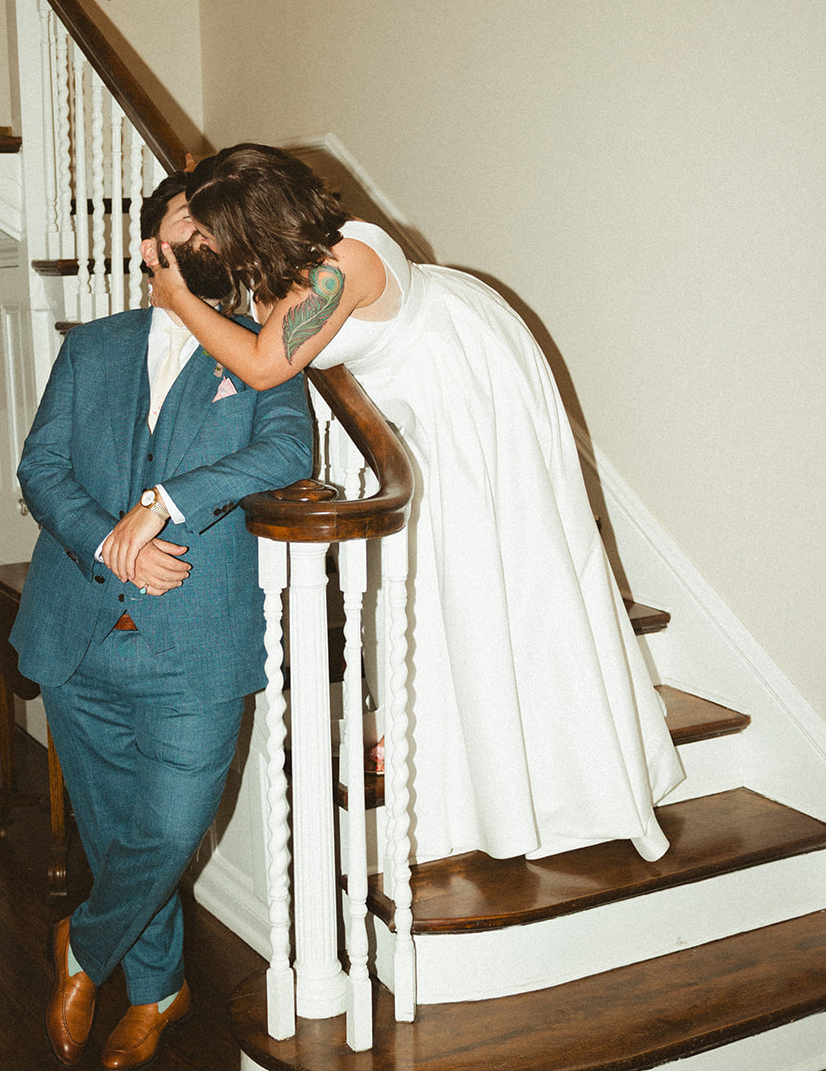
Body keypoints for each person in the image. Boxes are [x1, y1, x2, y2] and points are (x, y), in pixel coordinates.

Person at [148, 143, 685, 866]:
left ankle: (570, 781)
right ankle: (468, 764)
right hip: (424, 397)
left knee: (504, 575)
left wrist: (176, 296)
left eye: (209, 233)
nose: (204, 249)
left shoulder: (347, 260)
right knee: (448, 586)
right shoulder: (286, 270)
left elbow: (265, 363)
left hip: (463, 388)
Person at [11, 173, 314, 1071]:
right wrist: (110, 543)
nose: (212, 238)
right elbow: (43, 467)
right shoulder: (93, 347)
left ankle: (81, 947)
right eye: (191, 224)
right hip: (79, 634)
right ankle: (155, 991)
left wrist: (164, 504)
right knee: (110, 829)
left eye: (223, 228)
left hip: (196, 644)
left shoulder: (264, 352)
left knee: (172, 827)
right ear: (152, 249)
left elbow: (287, 447)